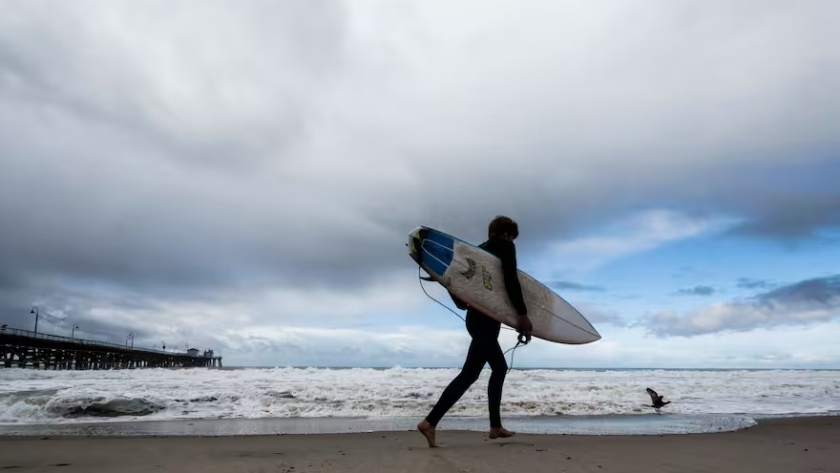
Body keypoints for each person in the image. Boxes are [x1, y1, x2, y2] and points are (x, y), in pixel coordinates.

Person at [417, 215, 532, 448]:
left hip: (476, 318)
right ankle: (488, 426)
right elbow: (510, 280)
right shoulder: (505, 247)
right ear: (507, 234)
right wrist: (522, 314)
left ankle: (439, 423)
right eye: (512, 237)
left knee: (471, 374)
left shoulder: (478, 253)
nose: (513, 241)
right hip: (485, 321)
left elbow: (460, 294)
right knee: (498, 368)